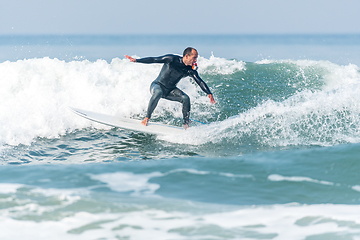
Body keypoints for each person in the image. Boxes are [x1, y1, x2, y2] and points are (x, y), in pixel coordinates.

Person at [125, 47, 215, 129]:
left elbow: (199, 81)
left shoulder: (190, 70)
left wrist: (208, 93)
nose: (195, 60)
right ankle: (146, 118)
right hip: (157, 85)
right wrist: (136, 60)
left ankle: (186, 124)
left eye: (196, 58)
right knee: (158, 93)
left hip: (170, 90)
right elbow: (154, 59)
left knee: (185, 98)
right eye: (194, 58)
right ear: (187, 56)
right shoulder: (171, 59)